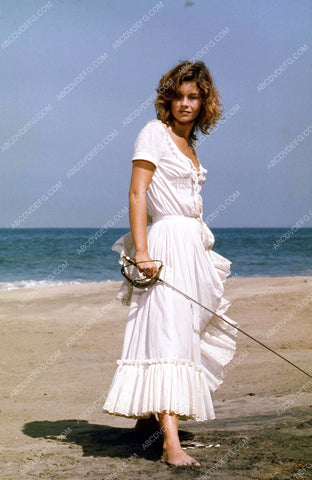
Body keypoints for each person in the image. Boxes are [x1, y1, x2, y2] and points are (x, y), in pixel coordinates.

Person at [103, 60, 238, 467]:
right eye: (178, 95)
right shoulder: (153, 134)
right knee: (167, 335)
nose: (185, 103)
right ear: (168, 98)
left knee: (183, 332)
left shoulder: (189, 144)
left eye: (193, 96)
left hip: (192, 246)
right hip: (164, 245)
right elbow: (136, 194)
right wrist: (142, 252)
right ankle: (170, 445)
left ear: (204, 101)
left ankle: (150, 422)